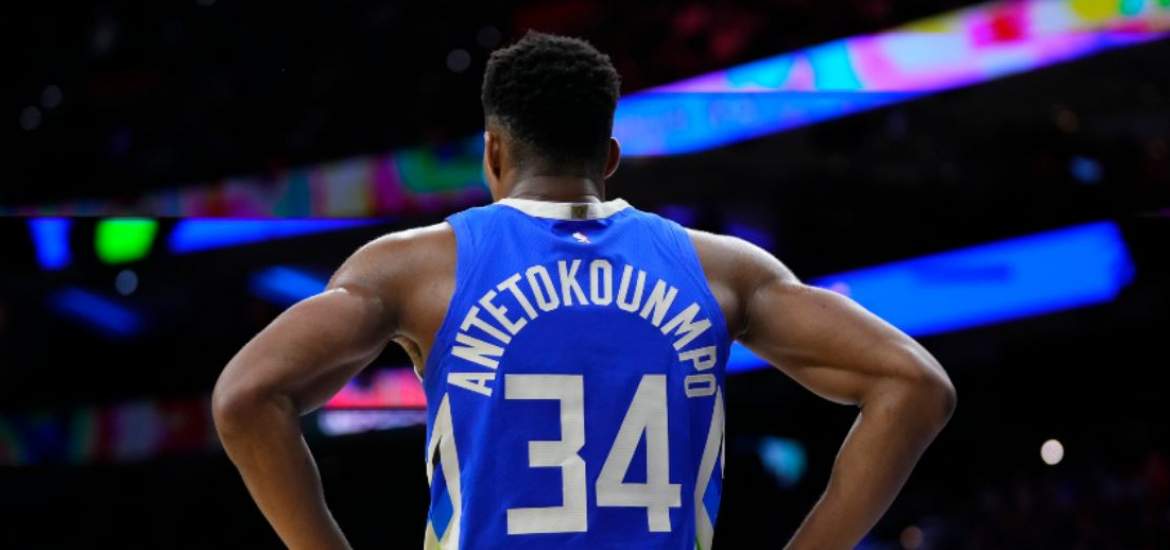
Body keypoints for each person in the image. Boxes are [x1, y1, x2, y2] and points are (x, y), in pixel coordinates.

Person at [212, 31, 955, 550]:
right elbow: (916, 385)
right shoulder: (724, 270)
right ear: (610, 157)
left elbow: (245, 398)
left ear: (493, 153)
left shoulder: (415, 268)